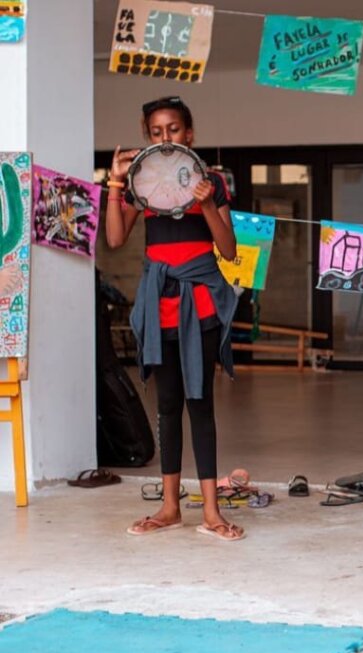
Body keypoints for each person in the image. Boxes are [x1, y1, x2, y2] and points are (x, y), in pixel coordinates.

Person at [105, 96, 243, 542]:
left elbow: (227, 250)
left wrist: (205, 205)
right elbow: (114, 237)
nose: (167, 137)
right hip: (158, 305)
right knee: (166, 406)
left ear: (190, 134)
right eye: (158, 131)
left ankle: (212, 512)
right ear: (149, 137)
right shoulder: (140, 186)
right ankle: (169, 507)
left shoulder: (213, 182)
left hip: (199, 304)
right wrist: (114, 183)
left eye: (175, 129)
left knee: (199, 404)